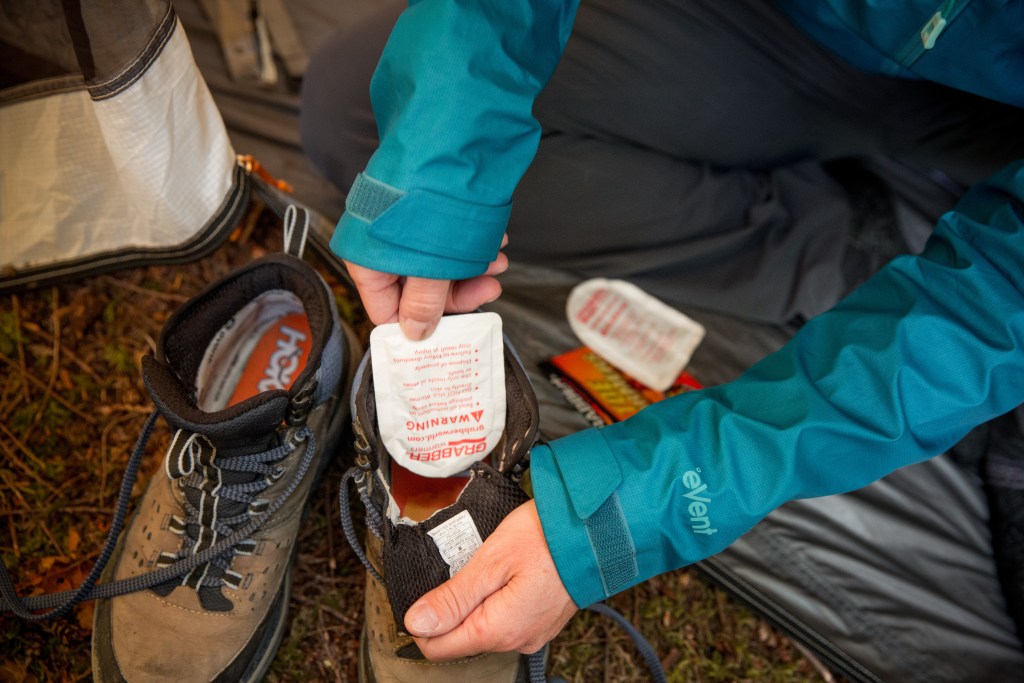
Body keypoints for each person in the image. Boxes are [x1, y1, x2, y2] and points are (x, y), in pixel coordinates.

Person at [300, 0, 1024, 662]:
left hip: (993, 90)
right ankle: (839, 243)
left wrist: (622, 516)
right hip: (811, 25)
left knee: (947, 336)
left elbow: (994, 313)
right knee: (358, 118)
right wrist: (437, 174)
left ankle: (883, 269)